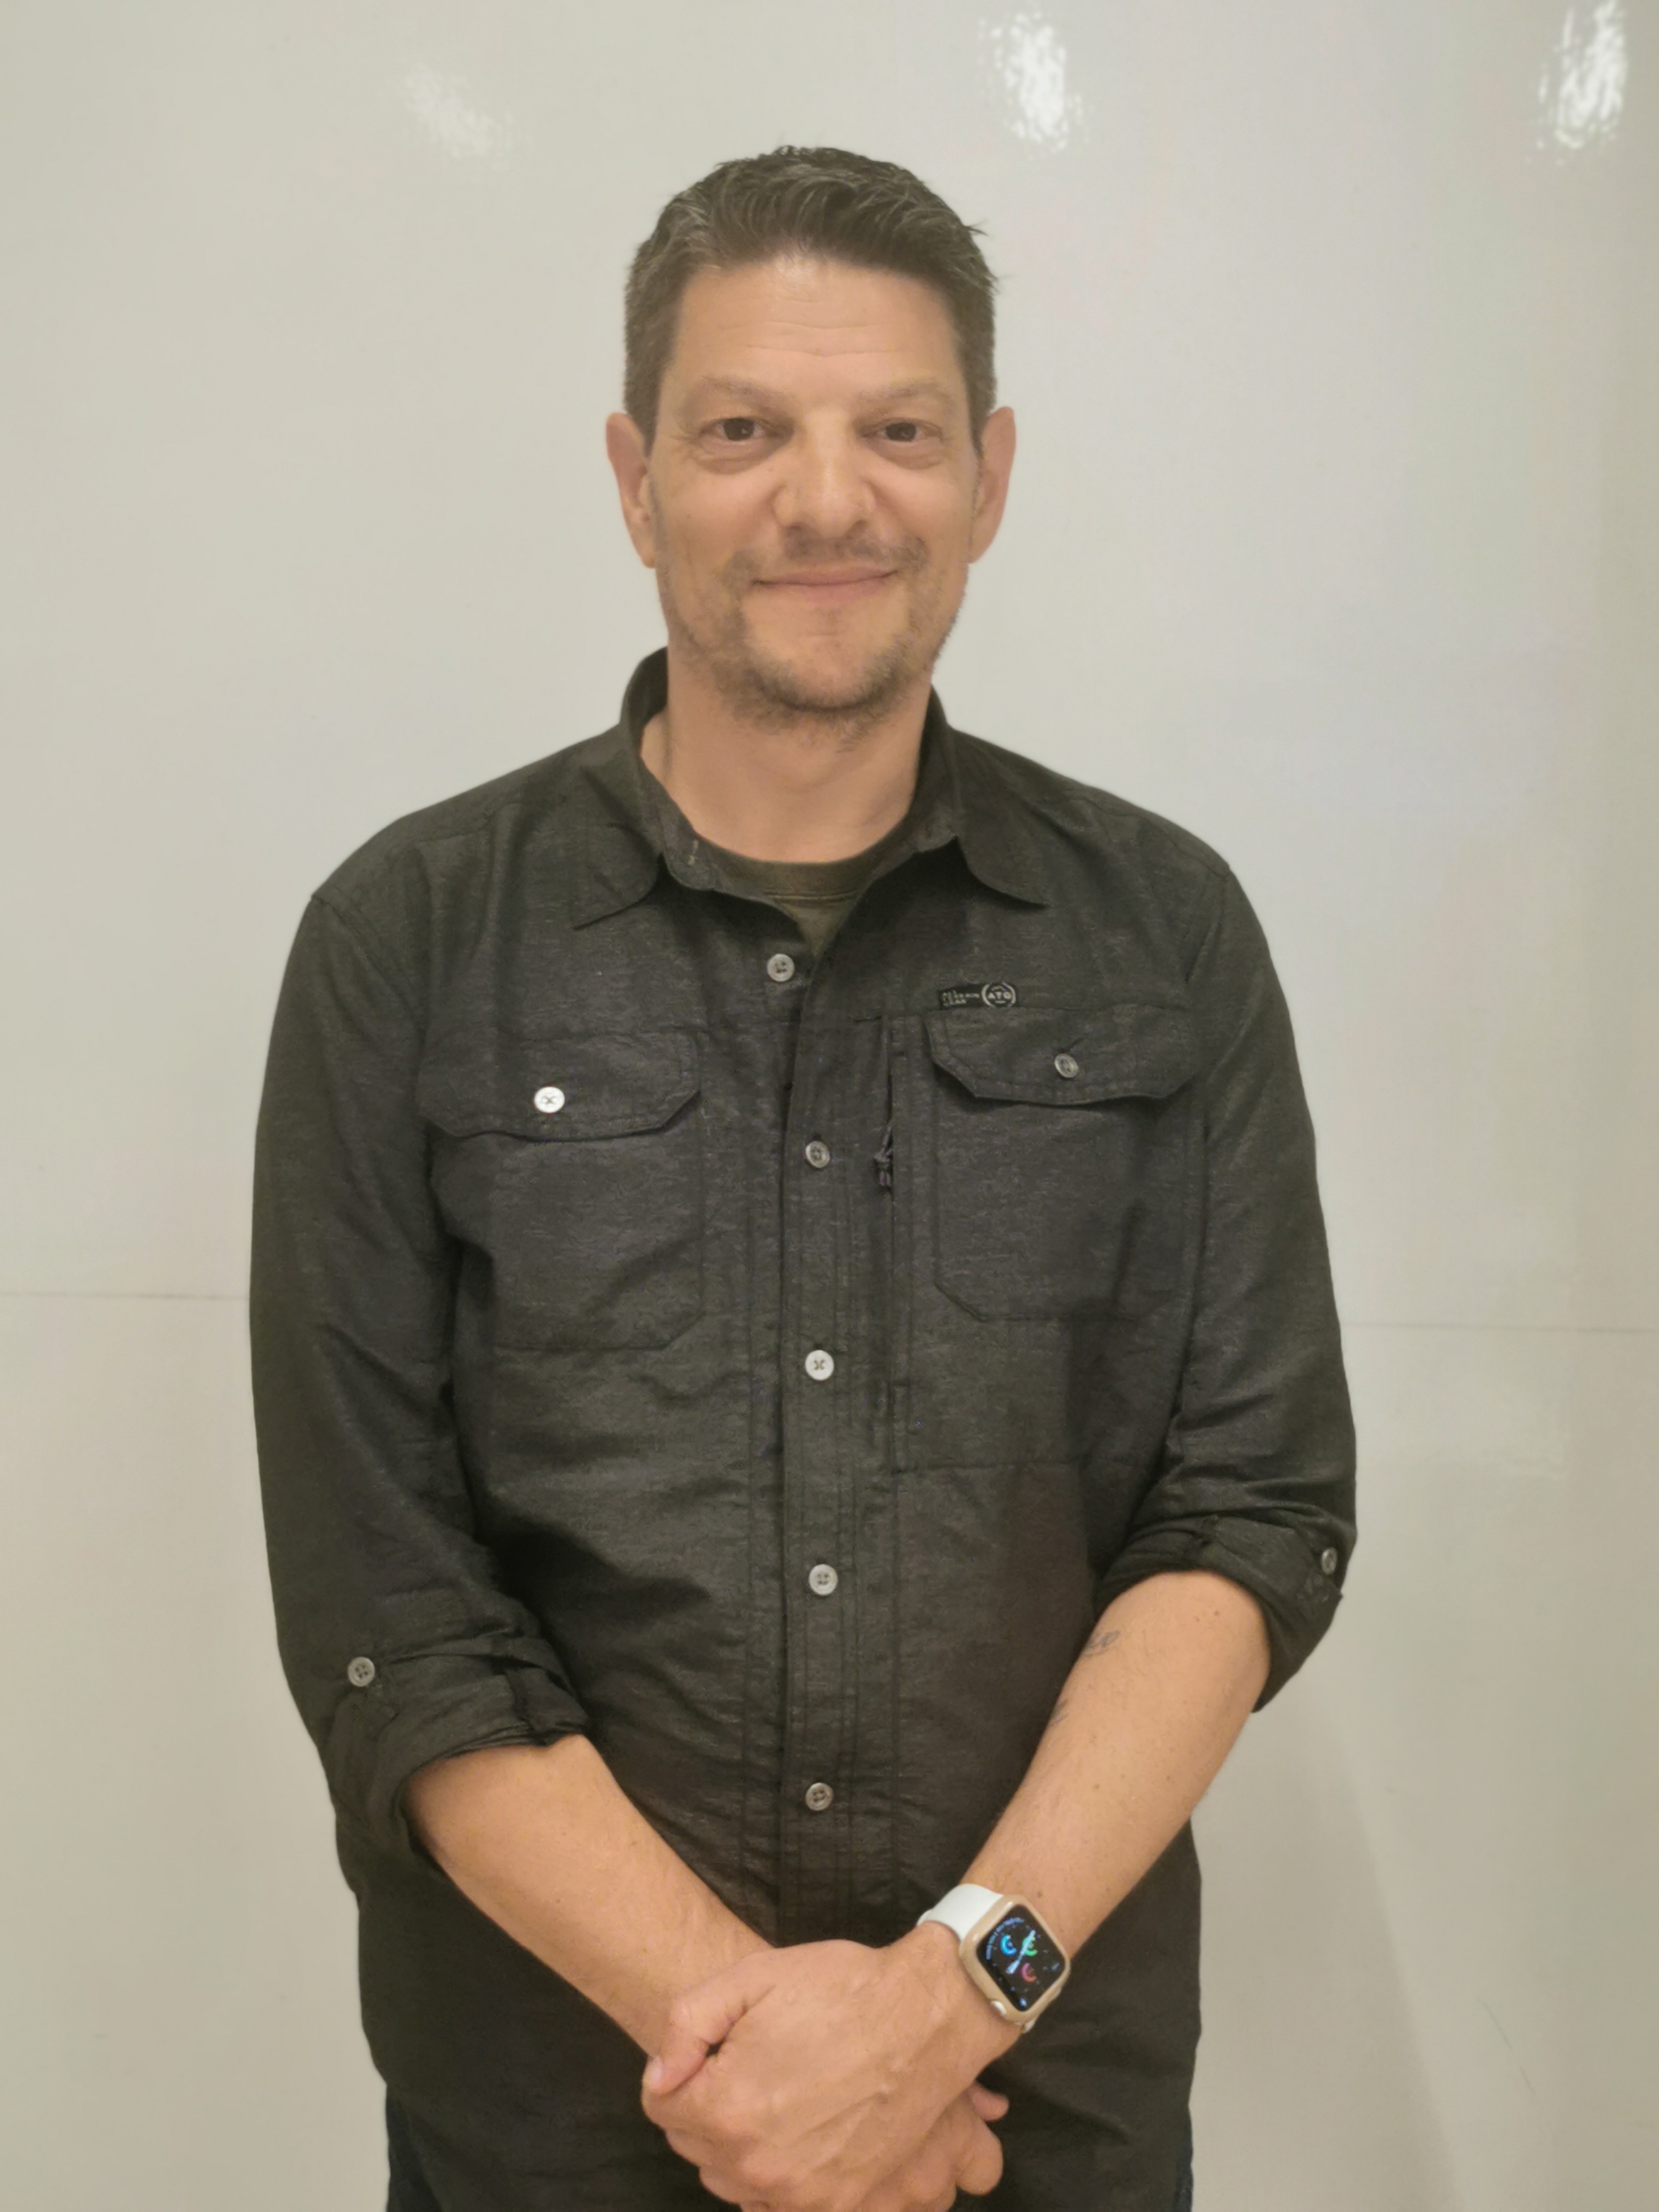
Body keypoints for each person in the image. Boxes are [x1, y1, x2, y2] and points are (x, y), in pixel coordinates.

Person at [250, 146, 1355, 2212]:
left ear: (990, 476)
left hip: (1031, 2123)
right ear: (635, 477)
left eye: (900, 433)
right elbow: (389, 1611)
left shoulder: (1165, 932)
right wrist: (768, 2058)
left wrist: (945, 2009)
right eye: (744, 430)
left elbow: (1253, 1517)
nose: (828, 501)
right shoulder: (408, 943)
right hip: (563, 2127)